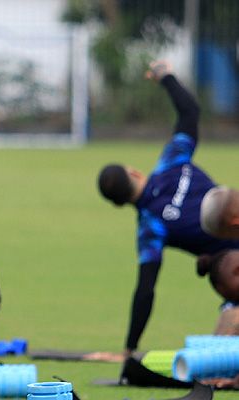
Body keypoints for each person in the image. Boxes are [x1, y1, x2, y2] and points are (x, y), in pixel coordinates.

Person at [96, 60, 239, 356]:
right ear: (134, 172)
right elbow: (190, 112)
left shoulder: (150, 228)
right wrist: (166, 76)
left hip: (233, 276)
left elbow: (145, 290)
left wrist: (130, 348)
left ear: (118, 204)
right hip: (232, 271)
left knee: (228, 336)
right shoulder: (171, 161)